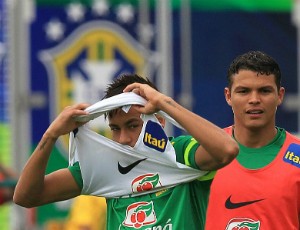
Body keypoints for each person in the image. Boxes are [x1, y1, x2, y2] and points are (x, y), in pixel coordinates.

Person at [13, 74, 239, 229]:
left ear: (159, 120)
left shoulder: (180, 153)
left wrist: (163, 102)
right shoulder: (106, 165)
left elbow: (227, 149)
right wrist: (50, 135)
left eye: (132, 126)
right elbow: (25, 196)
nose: (123, 139)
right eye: (115, 129)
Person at [205, 51, 300, 229]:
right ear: (228, 96)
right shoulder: (204, 152)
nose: (254, 100)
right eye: (244, 91)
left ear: (280, 95)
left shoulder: (297, 156)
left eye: (264, 91)